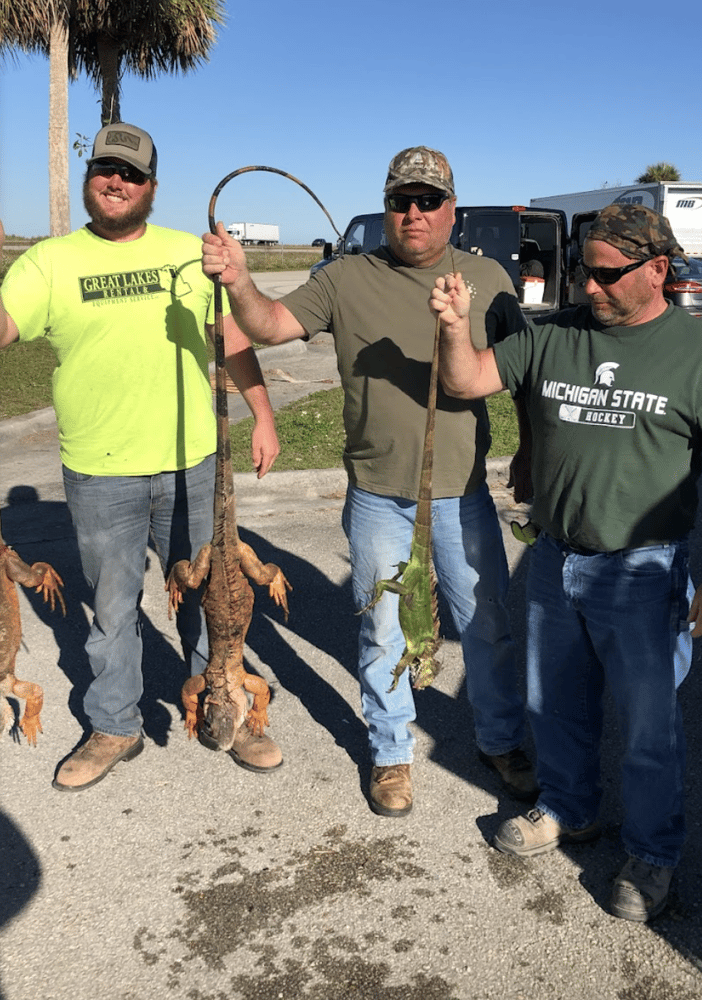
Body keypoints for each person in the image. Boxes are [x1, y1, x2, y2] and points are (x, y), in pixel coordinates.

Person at [201, 145, 537, 816]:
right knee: (383, 630)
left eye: (428, 200)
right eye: (400, 201)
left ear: (451, 208)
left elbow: (523, 368)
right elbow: (268, 325)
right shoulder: (346, 277)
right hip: (378, 496)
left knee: (487, 626)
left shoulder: (488, 278)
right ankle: (389, 754)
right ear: (386, 208)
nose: (413, 213)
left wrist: (530, 448)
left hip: (461, 492)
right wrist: (239, 281)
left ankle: (500, 741)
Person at [431, 203, 701, 921]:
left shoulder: (694, 352)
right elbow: (467, 381)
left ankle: (652, 854)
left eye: (608, 275)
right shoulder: (555, 336)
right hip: (554, 560)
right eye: (584, 271)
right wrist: (455, 328)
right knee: (555, 708)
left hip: (645, 572)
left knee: (649, 728)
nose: (589, 287)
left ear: (658, 271)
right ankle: (568, 810)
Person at [0, 123, 283, 791]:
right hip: (100, 470)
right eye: (104, 168)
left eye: (130, 173)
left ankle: (232, 709)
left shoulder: (190, 254)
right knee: (112, 607)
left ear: (151, 187)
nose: (115, 181)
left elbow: (231, 335)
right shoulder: (49, 261)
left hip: (194, 463)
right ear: (90, 178)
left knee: (218, 599)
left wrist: (263, 414)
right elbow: (7, 323)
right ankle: (114, 724)